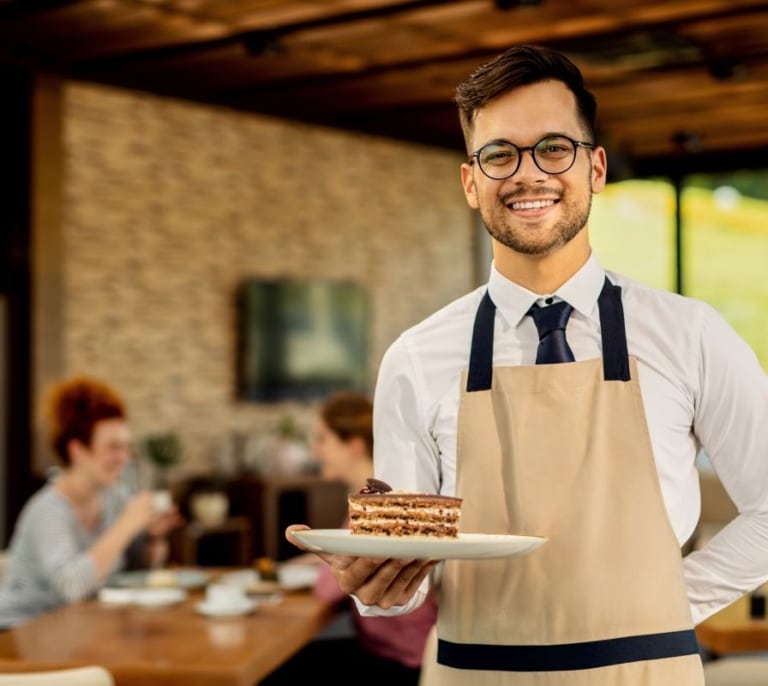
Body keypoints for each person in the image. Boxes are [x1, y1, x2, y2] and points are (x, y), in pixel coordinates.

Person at [286, 44, 768, 685]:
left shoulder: (691, 335)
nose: (528, 173)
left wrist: (669, 601)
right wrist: (375, 585)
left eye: (554, 148)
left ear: (595, 168)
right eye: (500, 154)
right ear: (471, 181)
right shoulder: (416, 357)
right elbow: (404, 574)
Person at [262, 390, 437, 685]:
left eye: (323, 439)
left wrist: (313, 564)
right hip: (395, 650)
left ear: (354, 446)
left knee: (277, 670)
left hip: (400, 662)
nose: (315, 450)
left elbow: (328, 588)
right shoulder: (381, 490)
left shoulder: (376, 506)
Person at [0, 375, 182, 628]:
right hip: (20, 637)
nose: (124, 457)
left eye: (126, 447)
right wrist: (126, 526)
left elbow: (134, 570)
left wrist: (153, 537)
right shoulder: (47, 510)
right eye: (113, 447)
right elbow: (72, 589)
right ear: (77, 451)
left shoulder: (114, 498)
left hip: (77, 632)